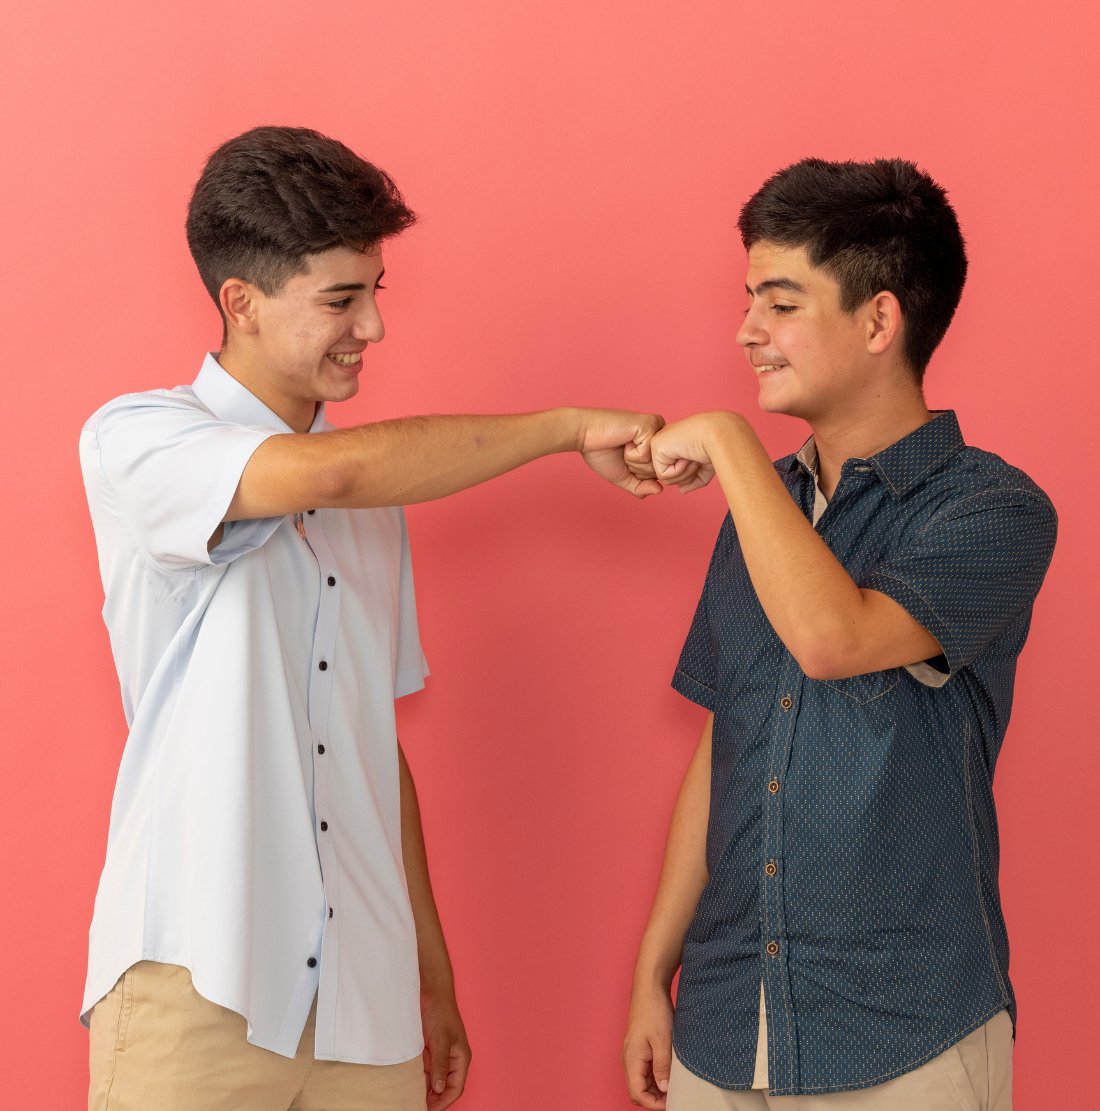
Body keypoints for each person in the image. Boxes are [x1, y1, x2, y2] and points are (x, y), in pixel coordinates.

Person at [80, 125, 676, 1111]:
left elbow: (366, 746)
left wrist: (428, 974)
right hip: (196, 977)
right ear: (242, 302)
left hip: (363, 1004)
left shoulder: (379, 502)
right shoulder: (140, 439)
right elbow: (332, 471)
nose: (373, 328)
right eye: (339, 300)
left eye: (375, 293)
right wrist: (566, 431)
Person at [621, 158, 1057, 1110]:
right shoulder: (761, 508)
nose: (745, 331)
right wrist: (655, 970)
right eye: (748, 301)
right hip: (728, 1026)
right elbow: (726, 742)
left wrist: (734, 444)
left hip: (909, 1032)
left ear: (878, 320)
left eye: (780, 303)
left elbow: (836, 638)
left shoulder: (994, 508)